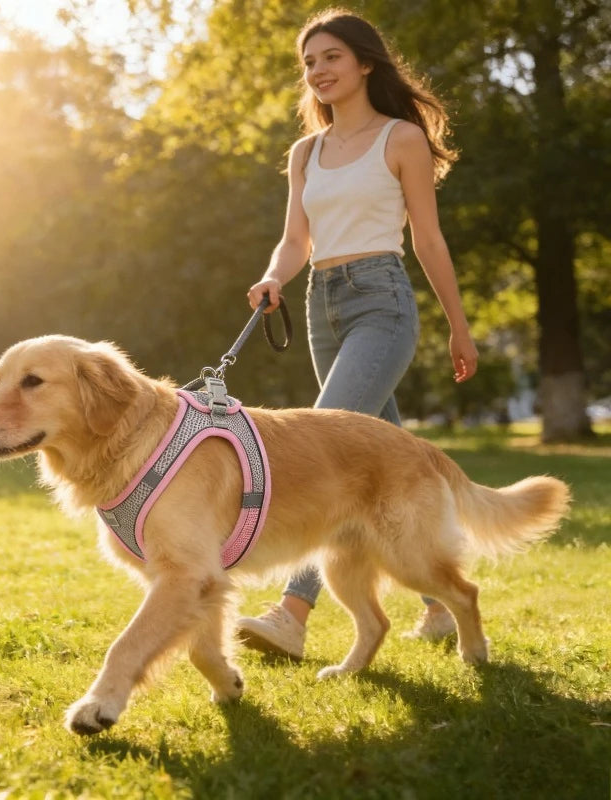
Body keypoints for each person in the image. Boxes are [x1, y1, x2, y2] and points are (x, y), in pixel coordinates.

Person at [236, 8, 479, 660]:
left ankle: (291, 613)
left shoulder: (401, 139)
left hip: (382, 304)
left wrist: (459, 327)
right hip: (322, 306)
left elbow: (428, 240)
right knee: (377, 453)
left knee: (325, 451)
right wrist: (272, 279)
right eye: (309, 62)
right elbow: (294, 240)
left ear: (365, 62)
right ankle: (438, 598)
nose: (317, 71)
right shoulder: (305, 152)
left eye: (331, 57)